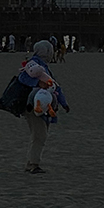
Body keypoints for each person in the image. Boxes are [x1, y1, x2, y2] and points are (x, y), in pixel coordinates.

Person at [18, 40, 69, 174]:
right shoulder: (34, 63)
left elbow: (55, 87)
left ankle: (30, 163)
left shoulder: (42, 65)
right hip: (35, 105)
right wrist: (38, 82)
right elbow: (23, 78)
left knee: (39, 135)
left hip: (43, 105)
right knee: (40, 135)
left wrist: (63, 103)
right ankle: (33, 164)